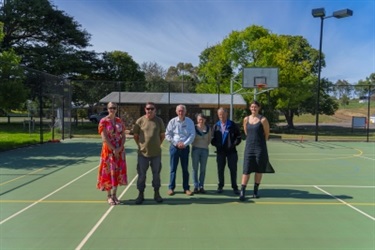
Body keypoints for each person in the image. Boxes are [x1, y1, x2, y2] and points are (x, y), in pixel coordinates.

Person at [240, 101, 275, 201]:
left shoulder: (263, 120)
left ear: (259, 108)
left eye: (255, 107)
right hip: (249, 147)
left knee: (259, 169)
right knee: (246, 169)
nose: (253, 109)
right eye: (251, 107)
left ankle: (255, 191)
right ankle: (242, 191)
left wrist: (260, 142)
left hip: (260, 148)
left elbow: (267, 134)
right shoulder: (246, 119)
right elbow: (246, 132)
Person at [133, 102, 165, 204]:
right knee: (141, 175)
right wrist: (140, 146)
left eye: (152, 109)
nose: (149, 110)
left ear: (155, 110)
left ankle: (157, 193)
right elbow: (136, 136)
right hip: (143, 154)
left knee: (156, 175)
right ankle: (140, 194)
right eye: (148, 108)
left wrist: (157, 144)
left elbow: (162, 135)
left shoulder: (159, 121)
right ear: (145, 109)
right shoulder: (140, 121)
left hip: (156, 154)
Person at [97, 102, 127, 205]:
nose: (112, 109)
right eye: (110, 108)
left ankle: (115, 195)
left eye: (114, 108)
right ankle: (109, 196)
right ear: (107, 108)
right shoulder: (103, 121)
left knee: (117, 172)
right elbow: (104, 138)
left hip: (119, 151)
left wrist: (120, 148)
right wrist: (114, 149)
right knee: (109, 173)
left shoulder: (119, 121)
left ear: (116, 109)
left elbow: (123, 136)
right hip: (108, 152)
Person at [165, 104, 196, 196]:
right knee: (173, 169)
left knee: (185, 169)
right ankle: (171, 188)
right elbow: (168, 134)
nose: (181, 112)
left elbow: (192, 135)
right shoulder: (172, 122)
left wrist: (184, 144)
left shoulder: (190, 122)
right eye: (179, 111)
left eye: (182, 111)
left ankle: (186, 188)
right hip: (174, 148)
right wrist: (176, 143)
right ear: (176, 111)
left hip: (185, 148)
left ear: (185, 112)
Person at [211, 107, 241, 194]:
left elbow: (238, 137)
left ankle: (235, 187)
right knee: (220, 169)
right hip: (220, 152)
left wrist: (233, 145)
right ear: (218, 115)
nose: (222, 116)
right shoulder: (216, 126)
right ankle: (220, 186)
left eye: (223, 114)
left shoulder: (232, 125)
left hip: (232, 152)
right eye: (220, 114)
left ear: (226, 114)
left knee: (233, 169)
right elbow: (213, 139)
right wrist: (217, 145)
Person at [191, 113, 211, 194]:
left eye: (202, 119)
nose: (201, 121)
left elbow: (209, 139)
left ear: (205, 120)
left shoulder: (208, 128)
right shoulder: (194, 128)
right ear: (197, 120)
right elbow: (191, 139)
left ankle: (201, 186)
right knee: (195, 169)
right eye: (199, 119)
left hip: (205, 150)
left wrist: (204, 145)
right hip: (195, 149)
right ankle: (196, 186)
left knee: (203, 169)